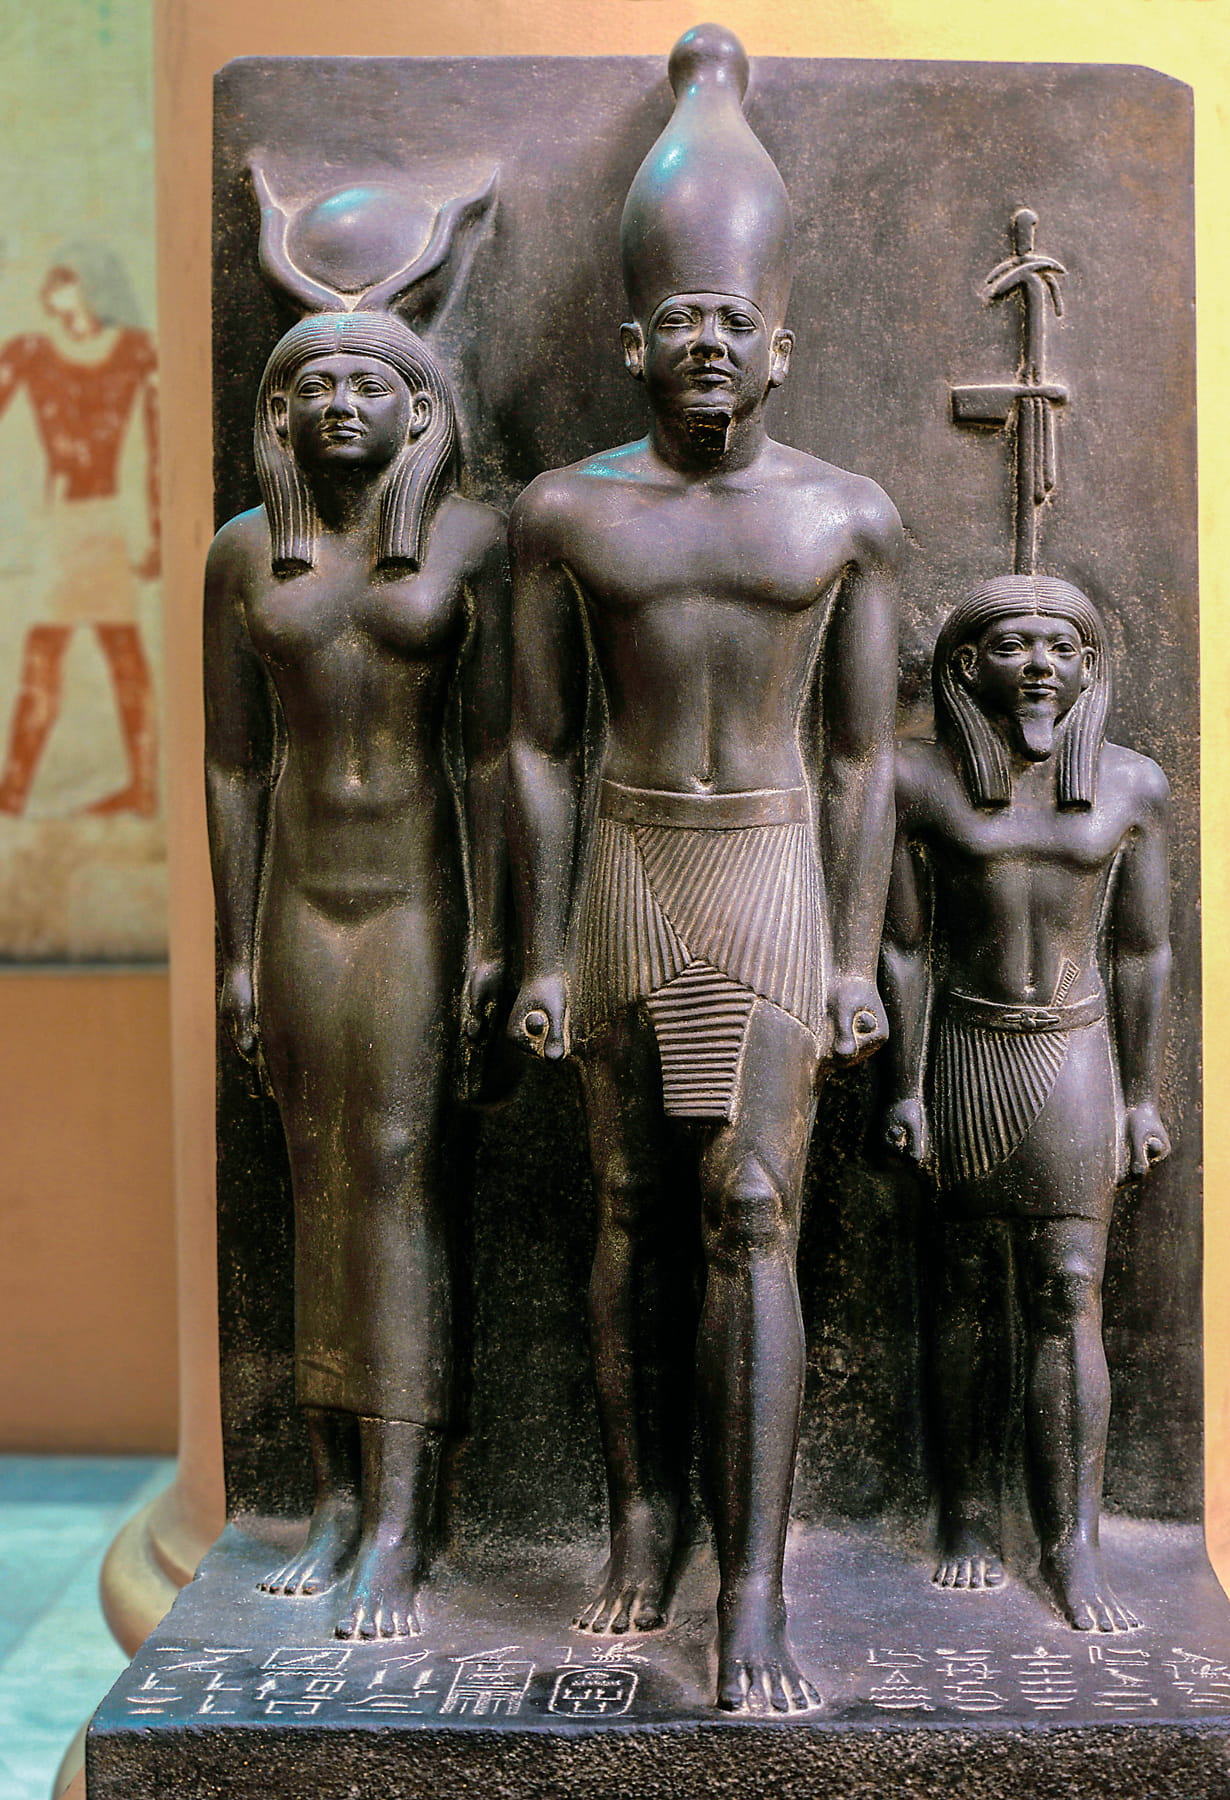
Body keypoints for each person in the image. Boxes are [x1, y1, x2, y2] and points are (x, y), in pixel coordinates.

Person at [507, 26, 902, 1714]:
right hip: (631, 875)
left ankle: (750, 1594)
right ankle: (641, 1519)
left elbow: (862, 756)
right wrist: (537, 950)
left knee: (748, 1210)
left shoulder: (839, 518)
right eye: (677, 321)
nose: (704, 347)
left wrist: (856, 956)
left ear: (780, 341)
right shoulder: (567, 516)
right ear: (630, 342)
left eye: (731, 322)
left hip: (763, 881)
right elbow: (532, 746)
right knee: (628, 1204)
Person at [204, 309, 508, 1639]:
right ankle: (332, 1494)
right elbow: (233, 765)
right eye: (311, 383)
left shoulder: (468, 542)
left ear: (417, 412)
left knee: (390, 1170)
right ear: (278, 417)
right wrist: (232, 952)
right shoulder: (241, 554)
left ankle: (402, 1514)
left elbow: (498, 758)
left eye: (365, 382)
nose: (337, 401)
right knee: (311, 1176)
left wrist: (497, 934)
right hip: (296, 896)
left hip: (415, 892)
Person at [882, 574, 1171, 1634]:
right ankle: (964, 1514)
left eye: (1060, 647)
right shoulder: (917, 781)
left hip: (1076, 1052)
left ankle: (1072, 1542)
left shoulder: (1132, 785)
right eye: (1013, 645)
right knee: (964, 1283)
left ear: (1089, 667)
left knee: (1067, 1288)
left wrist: (1141, 1096)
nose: (1039, 664)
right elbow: (904, 949)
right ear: (966, 666)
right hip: (965, 1045)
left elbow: (1142, 952)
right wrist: (903, 1086)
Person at [0, 245, 160, 815]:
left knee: (109, 649)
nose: (52, 288)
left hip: (104, 523)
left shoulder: (137, 352)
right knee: (62, 649)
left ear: (91, 283)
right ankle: (15, 791)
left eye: (64, 277)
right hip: (65, 525)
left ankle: (138, 786)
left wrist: (158, 532)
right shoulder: (29, 352)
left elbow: (160, 447)